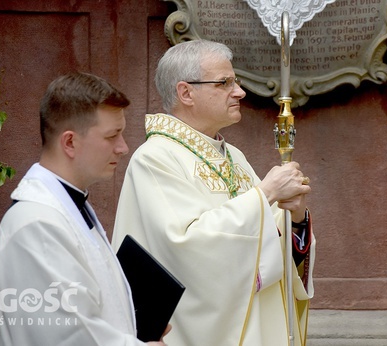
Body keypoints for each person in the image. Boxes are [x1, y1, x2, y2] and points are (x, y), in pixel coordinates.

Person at [112, 40, 315, 346]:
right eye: (225, 83)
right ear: (186, 93)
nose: (239, 92)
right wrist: (266, 193)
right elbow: (188, 247)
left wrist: (295, 219)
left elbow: (269, 233)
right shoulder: (154, 158)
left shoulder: (232, 155)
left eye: (236, 81)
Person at [0, 72, 168, 346]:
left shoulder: (67, 206)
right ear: (69, 142)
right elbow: (62, 336)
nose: (123, 147)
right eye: (112, 136)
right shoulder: (35, 226)